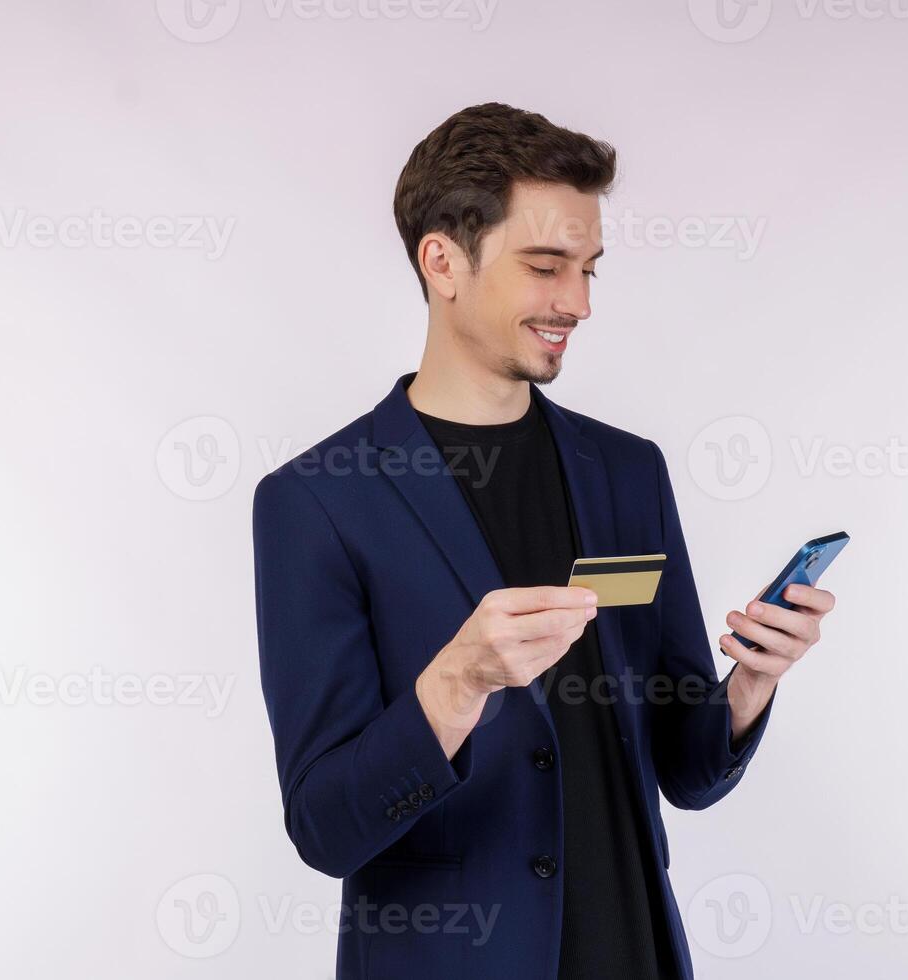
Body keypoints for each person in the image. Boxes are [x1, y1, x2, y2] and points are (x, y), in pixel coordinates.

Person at [252, 102, 837, 979]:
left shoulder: (627, 471)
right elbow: (325, 829)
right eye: (546, 266)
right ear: (442, 260)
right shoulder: (316, 502)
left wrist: (751, 681)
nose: (580, 303)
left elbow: (687, 770)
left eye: (590, 268)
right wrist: (455, 686)